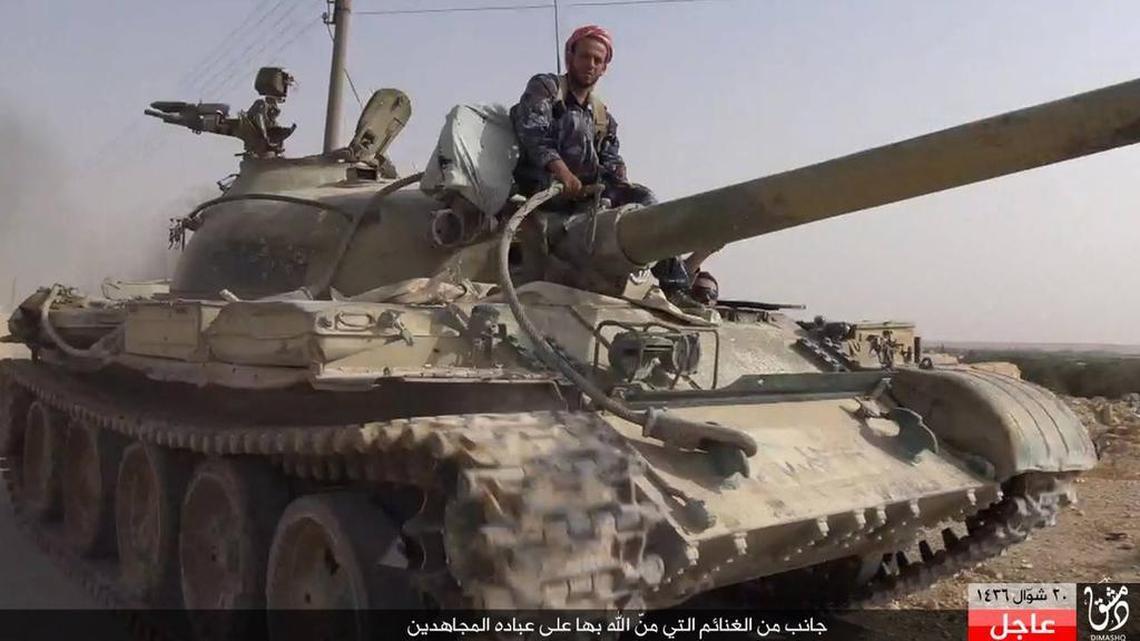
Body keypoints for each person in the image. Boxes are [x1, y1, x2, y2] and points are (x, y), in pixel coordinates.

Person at [510, 25, 710, 307]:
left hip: (585, 196)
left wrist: (619, 184)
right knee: (572, 130)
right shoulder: (547, 88)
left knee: (645, 200)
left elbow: (611, 160)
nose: (590, 65)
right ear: (571, 57)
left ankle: (674, 285)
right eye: (584, 56)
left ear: (604, 67)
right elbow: (533, 133)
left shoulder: (602, 116)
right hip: (543, 187)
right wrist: (562, 173)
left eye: (597, 60)